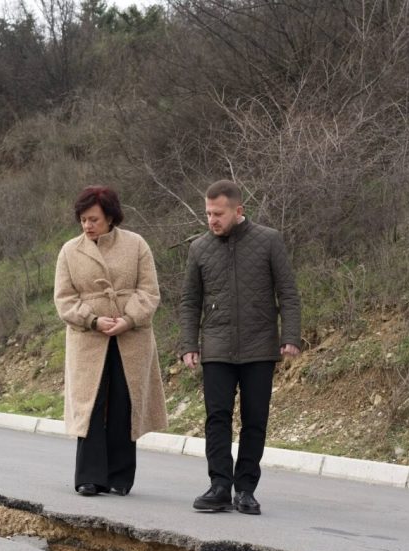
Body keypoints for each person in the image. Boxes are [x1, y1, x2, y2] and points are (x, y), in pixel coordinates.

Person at [178, 180, 301, 515]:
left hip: (260, 346)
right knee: (216, 417)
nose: (212, 220)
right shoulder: (199, 248)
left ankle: (245, 490)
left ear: (238, 210)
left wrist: (290, 336)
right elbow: (190, 301)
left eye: (218, 214)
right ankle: (219, 486)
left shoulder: (269, 240)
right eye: (208, 213)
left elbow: (287, 293)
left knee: (254, 420)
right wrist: (189, 343)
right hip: (216, 346)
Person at [54, 186, 168, 496]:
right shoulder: (69, 251)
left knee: (124, 401)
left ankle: (120, 477)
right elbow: (64, 299)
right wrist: (92, 319)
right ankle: (89, 477)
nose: (87, 226)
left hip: (131, 338)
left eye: (93, 219)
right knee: (91, 404)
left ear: (110, 217)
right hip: (88, 338)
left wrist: (128, 320)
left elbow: (149, 292)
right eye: (83, 220)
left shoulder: (136, 245)